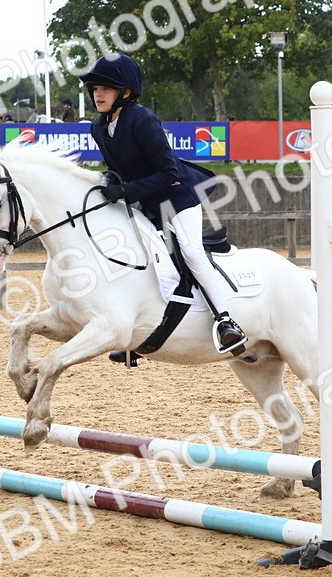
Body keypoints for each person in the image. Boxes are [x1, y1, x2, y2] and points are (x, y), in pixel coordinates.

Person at [79, 52, 246, 354]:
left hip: (177, 196)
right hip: (145, 201)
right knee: (133, 256)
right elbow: (119, 167)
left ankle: (225, 321)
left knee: (192, 252)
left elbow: (168, 173)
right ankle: (134, 328)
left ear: (125, 92)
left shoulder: (142, 119)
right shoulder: (99, 126)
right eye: (94, 89)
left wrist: (127, 191)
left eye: (104, 88)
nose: (97, 94)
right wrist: (112, 182)